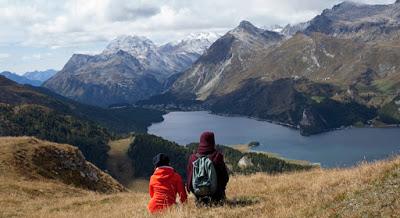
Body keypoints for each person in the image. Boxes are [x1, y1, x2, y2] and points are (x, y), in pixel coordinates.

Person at [186, 131, 229, 205]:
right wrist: (221, 189)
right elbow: (225, 177)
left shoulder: (192, 158)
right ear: (212, 141)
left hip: (198, 194)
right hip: (217, 196)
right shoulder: (217, 156)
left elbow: (189, 179)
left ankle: (200, 201)